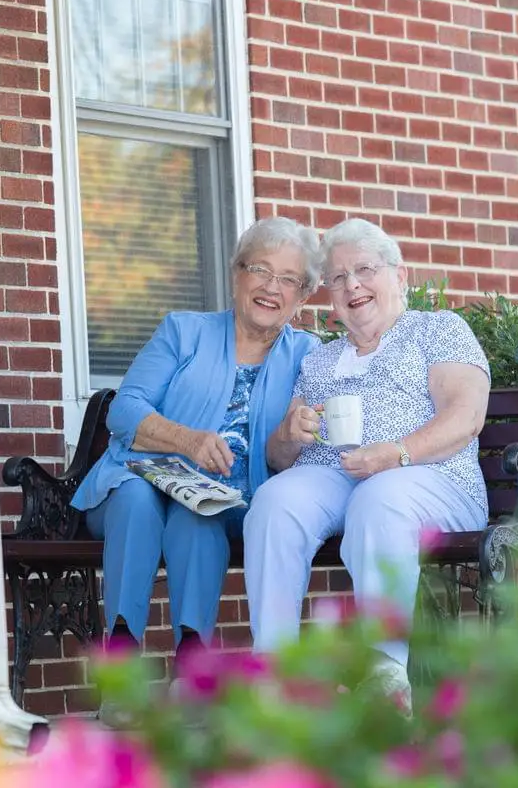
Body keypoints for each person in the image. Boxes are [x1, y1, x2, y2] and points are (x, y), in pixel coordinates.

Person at [243, 218, 491, 714]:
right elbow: (276, 459)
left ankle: (385, 677)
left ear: (399, 277)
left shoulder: (438, 330)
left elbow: (466, 417)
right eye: (337, 277)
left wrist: (395, 453)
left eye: (364, 270)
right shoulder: (319, 359)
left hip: (432, 478)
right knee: (274, 502)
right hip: (338, 475)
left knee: (383, 497)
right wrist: (288, 437)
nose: (351, 284)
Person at [71, 217, 321, 679]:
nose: (272, 287)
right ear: (236, 274)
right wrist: (188, 440)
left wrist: (290, 435)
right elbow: (124, 410)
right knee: (136, 500)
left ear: (303, 297)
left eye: (289, 279)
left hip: (226, 501)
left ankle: (192, 665)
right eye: (261, 270)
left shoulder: (308, 356)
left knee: (198, 514)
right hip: (137, 481)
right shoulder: (183, 332)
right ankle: (121, 666)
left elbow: (291, 450)